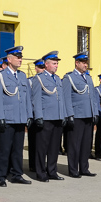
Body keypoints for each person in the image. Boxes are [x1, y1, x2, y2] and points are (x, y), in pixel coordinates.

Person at [0, 46, 33, 186]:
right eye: (17, 57)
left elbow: (27, 97)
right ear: (9, 59)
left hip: (20, 117)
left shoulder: (22, 76)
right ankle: (1, 176)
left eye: (21, 57)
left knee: (18, 149)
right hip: (7, 117)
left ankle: (17, 174)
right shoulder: (1, 76)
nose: (20, 60)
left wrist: (29, 115)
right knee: (4, 149)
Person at [31, 51, 66, 182]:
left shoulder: (57, 78)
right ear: (46, 64)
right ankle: (40, 172)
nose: (56, 66)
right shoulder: (39, 78)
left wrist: (63, 115)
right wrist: (38, 116)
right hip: (45, 117)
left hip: (57, 117)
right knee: (42, 147)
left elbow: (61, 99)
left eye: (57, 64)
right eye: (54, 63)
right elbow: (36, 99)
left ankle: (52, 171)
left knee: (54, 147)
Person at [62, 52, 99, 178]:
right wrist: (69, 115)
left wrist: (95, 113)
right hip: (76, 115)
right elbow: (66, 98)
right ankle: (73, 170)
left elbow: (93, 97)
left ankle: (84, 168)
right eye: (83, 63)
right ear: (76, 63)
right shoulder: (69, 78)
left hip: (88, 114)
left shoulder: (88, 78)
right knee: (74, 144)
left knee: (86, 144)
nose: (85, 65)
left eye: (86, 63)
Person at [27, 59, 46, 172]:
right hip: (33, 115)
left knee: (43, 142)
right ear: (36, 69)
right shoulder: (30, 81)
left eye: (44, 68)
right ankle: (32, 164)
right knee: (33, 141)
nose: (42, 70)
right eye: (40, 68)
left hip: (44, 115)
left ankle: (42, 164)